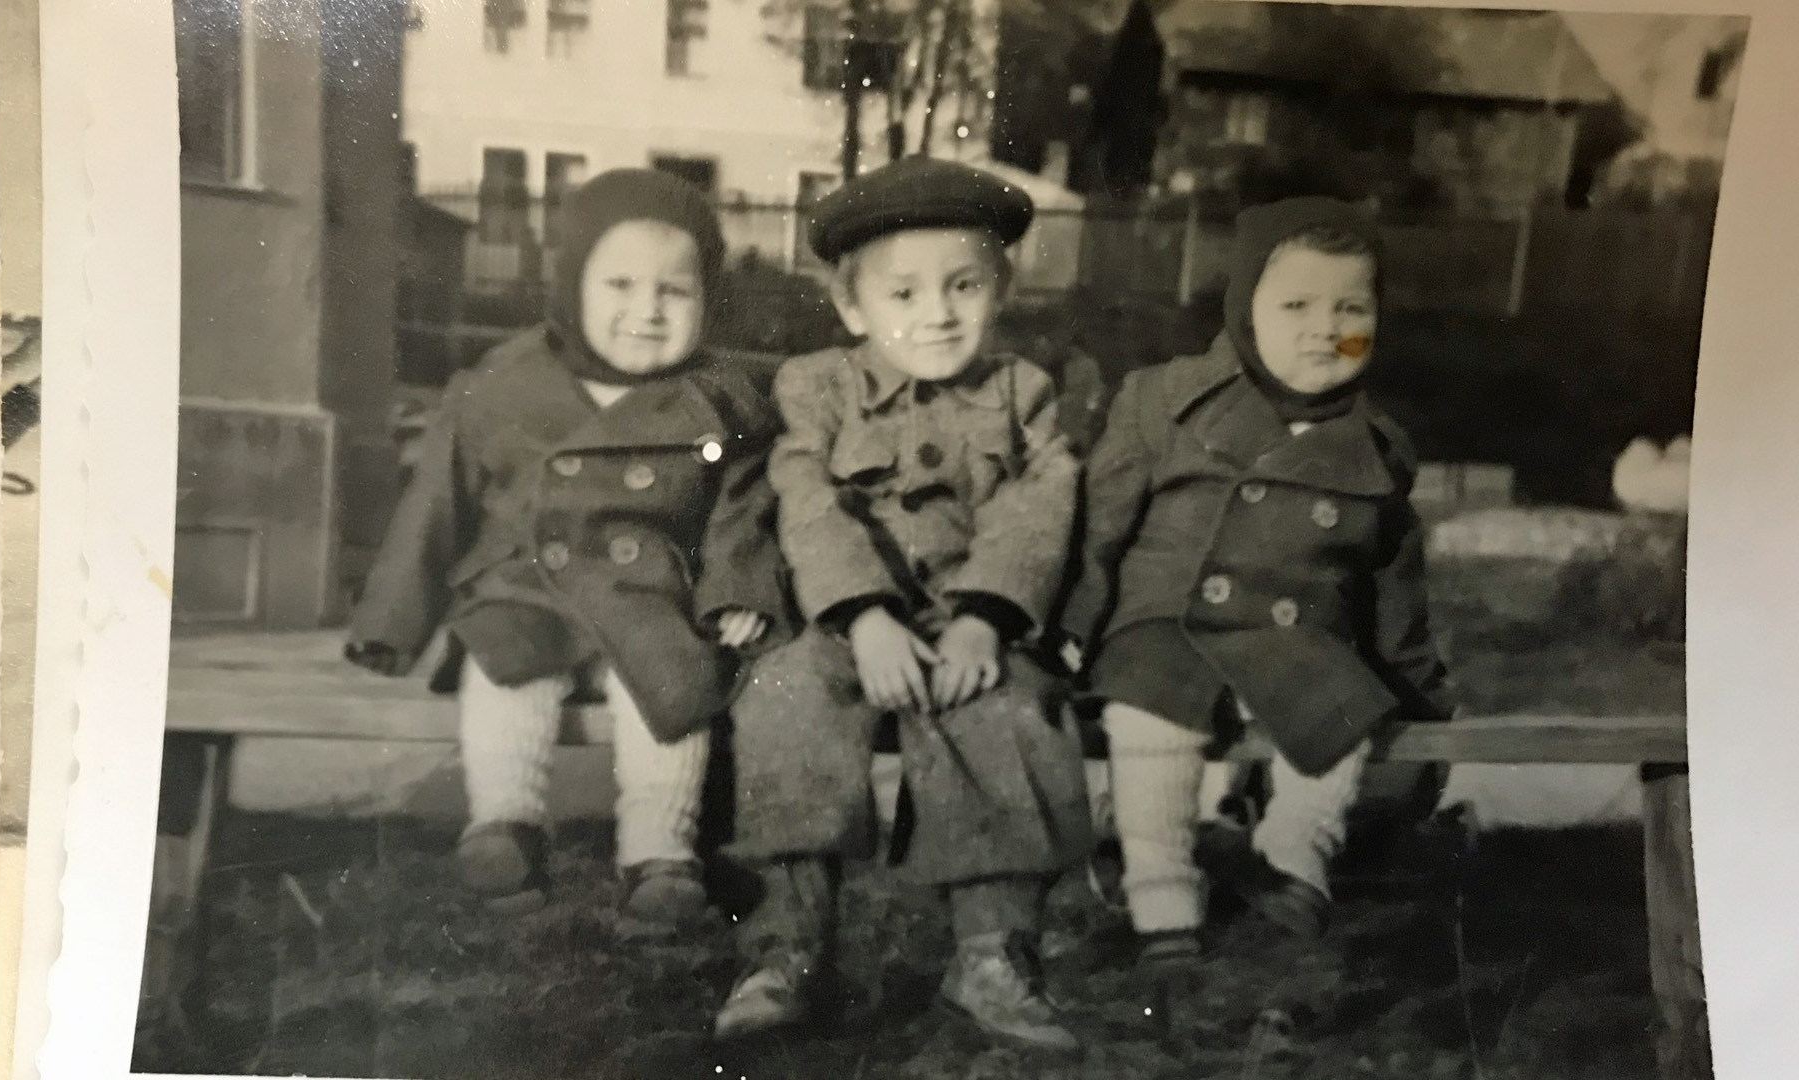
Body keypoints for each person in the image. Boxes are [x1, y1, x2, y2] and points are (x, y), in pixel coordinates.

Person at [345, 169, 790, 933]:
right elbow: (437, 502)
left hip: (652, 594)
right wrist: (392, 620)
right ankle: (505, 825)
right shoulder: (506, 382)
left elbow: (740, 512)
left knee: (671, 689)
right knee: (504, 666)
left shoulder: (717, 400)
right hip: (527, 583)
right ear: (572, 284)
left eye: (673, 293)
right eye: (619, 284)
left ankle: (661, 853)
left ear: (705, 299)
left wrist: (738, 592)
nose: (646, 312)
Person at [713, 158, 1093, 1052]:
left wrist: (985, 616)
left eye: (964, 286)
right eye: (904, 293)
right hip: (846, 622)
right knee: (786, 697)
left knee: (1007, 706)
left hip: (969, 619)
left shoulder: (1022, 395)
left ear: (1001, 292)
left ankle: (994, 952)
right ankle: (787, 946)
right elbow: (805, 498)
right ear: (852, 310)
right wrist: (865, 614)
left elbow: (1037, 509)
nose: (938, 314)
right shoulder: (819, 389)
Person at [1061, 196, 1455, 965]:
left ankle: (1290, 856)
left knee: (1343, 702)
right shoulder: (1165, 401)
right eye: (1296, 305)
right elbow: (1098, 526)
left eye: (1350, 307)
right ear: (1245, 309)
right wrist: (1072, 629)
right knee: (1151, 718)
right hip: (1168, 619)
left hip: (1297, 631)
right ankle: (1159, 889)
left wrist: (1417, 693)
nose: (1323, 327)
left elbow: (1392, 588)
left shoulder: (1377, 447)